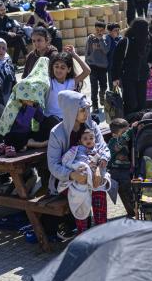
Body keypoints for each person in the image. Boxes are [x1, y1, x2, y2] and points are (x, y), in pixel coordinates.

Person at [46, 90, 109, 237]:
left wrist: (98, 169)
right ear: (71, 110)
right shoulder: (57, 133)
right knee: (80, 191)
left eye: (87, 109)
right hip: (67, 178)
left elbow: (103, 148)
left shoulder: (91, 125)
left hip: (93, 171)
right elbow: (53, 165)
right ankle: (83, 234)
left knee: (98, 186)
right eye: (82, 110)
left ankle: (102, 232)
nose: (86, 113)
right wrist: (72, 174)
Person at [58, 126, 111, 233]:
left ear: (95, 139)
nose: (88, 140)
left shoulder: (98, 148)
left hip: (96, 180)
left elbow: (107, 151)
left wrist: (104, 159)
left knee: (99, 203)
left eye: (91, 138)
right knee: (81, 206)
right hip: (81, 180)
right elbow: (65, 160)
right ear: (80, 141)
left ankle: (102, 229)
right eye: (85, 138)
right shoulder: (76, 149)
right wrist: (76, 166)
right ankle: (82, 232)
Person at [111, 19, 152, 115]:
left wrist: (151, 63)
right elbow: (116, 61)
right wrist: (115, 77)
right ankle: (129, 121)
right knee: (131, 103)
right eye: (145, 29)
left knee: (141, 103)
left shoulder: (148, 40)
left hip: (143, 77)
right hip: (128, 78)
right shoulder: (125, 42)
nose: (147, 31)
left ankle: (139, 122)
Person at [46, 47, 91, 120]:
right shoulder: (49, 81)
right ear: (52, 67)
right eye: (56, 66)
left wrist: (74, 55)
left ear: (69, 69)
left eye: (62, 68)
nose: (58, 70)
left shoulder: (70, 83)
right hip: (50, 118)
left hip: (66, 120)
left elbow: (87, 71)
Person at [106, 117, 135, 217]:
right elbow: (121, 142)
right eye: (123, 132)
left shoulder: (125, 140)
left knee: (127, 191)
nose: (126, 134)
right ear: (114, 135)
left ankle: (132, 211)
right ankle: (131, 211)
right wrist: (131, 130)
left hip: (125, 170)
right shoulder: (113, 142)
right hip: (115, 171)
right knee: (124, 191)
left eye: (127, 131)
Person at [86, 21, 110, 112]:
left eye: (101, 30)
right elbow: (87, 51)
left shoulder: (106, 39)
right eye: (97, 30)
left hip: (102, 66)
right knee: (94, 87)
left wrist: (100, 40)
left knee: (104, 85)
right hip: (93, 66)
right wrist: (87, 62)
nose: (99, 32)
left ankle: (102, 95)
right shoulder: (90, 38)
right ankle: (95, 105)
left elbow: (106, 50)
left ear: (104, 30)